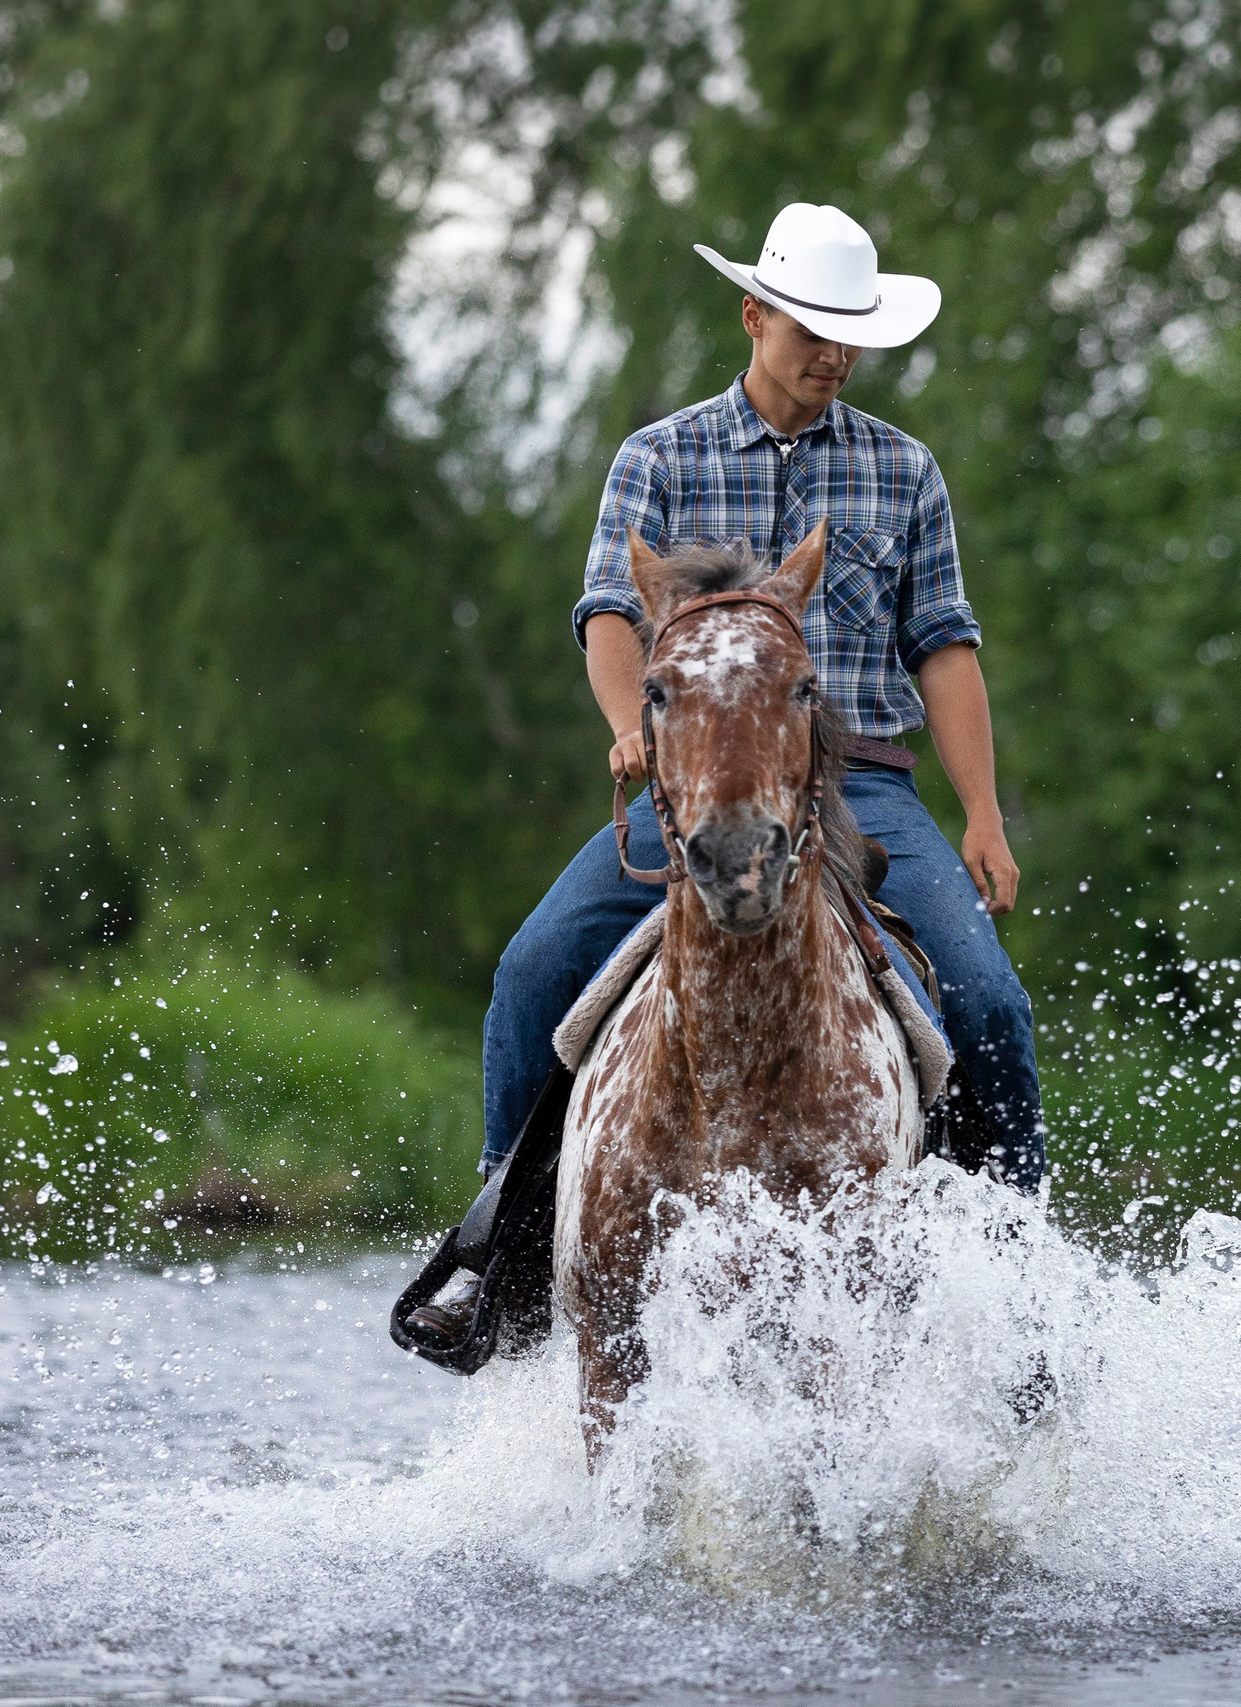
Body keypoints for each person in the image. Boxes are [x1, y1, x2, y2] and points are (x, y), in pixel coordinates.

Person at [407, 202, 1044, 1345]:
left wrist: (984, 811)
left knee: (990, 1002)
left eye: (851, 333)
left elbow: (943, 647)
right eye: (812, 327)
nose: (833, 353)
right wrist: (634, 732)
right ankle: (499, 1254)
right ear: (754, 317)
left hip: (864, 784)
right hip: (694, 786)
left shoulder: (904, 472)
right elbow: (610, 610)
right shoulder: (658, 456)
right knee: (533, 968)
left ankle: (1019, 1283)